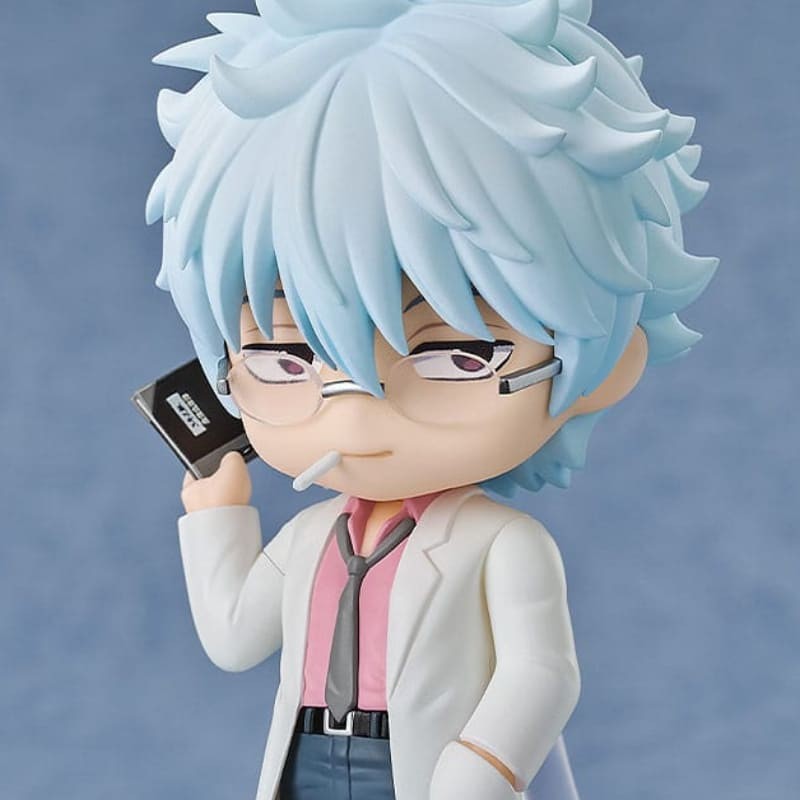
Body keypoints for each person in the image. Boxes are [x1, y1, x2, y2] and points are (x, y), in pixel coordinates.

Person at [146, 1, 718, 798]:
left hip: (431, 769)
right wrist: (217, 516)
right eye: (286, 358)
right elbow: (236, 637)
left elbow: (543, 673)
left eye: (457, 355)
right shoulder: (310, 539)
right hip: (306, 761)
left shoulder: (502, 544)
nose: (353, 413)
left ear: (608, 363)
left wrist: (477, 768)